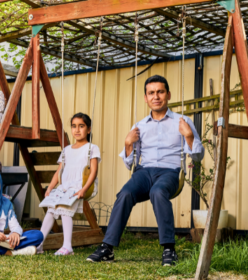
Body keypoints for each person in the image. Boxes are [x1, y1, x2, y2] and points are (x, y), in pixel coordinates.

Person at [86, 75, 204, 266]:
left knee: (158, 192)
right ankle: (107, 248)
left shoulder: (183, 122)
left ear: (168, 94)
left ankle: (169, 249)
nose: (156, 96)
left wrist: (189, 136)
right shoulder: (139, 126)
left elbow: (198, 157)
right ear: (145, 97)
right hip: (143, 172)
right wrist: (127, 143)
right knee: (124, 193)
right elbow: (129, 163)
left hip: (170, 172)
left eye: (160, 92)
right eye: (151, 93)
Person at [37, 113, 101, 255]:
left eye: (81, 126)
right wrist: (50, 187)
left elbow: (93, 172)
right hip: (64, 186)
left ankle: (67, 246)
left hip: (79, 186)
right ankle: (39, 244)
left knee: (65, 210)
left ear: (88, 129)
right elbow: (58, 171)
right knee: (51, 210)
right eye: (73, 126)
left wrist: (84, 189)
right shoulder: (66, 150)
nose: (77, 130)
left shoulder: (91, 148)